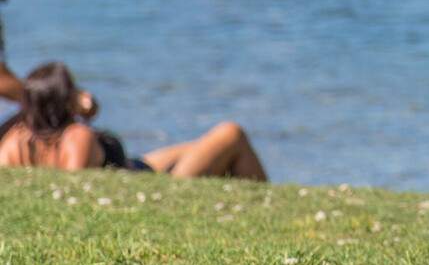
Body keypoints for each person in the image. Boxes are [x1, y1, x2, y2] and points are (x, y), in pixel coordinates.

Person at [0, 61, 266, 180]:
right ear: (65, 98)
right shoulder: (75, 136)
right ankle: (264, 204)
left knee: (191, 147)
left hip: (139, 166)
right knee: (231, 133)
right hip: (147, 184)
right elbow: (76, 182)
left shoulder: (14, 139)